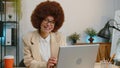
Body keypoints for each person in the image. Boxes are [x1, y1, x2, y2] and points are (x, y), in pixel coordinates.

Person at [22, 1, 66, 68]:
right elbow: (28, 63)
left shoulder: (60, 38)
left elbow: (65, 58)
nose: (48, 24)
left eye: (52, 22)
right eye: (46, 20)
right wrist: (45, 64)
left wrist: (59, 61)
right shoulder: (28, 38)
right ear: (39, 20)